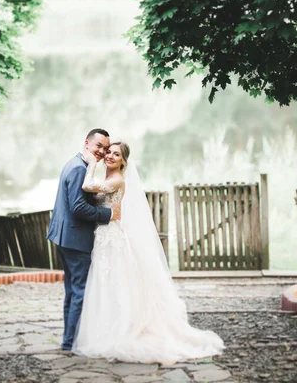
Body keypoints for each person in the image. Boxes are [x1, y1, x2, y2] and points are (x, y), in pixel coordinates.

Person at [72, 141, 225, 365]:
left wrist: (92, 164)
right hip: (104, 237)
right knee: (106, 283)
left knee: (116, 282)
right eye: (109, 153)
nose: (111, 156)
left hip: (113, 238)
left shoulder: (117, 179)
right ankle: (105, 326)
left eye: (116, 154)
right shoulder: (108, 178)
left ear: (124, 161)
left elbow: (87, 187)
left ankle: (123, 328)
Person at [47, 128, 121, 351]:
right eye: (98, 146)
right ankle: (71, 342)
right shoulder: (80, 169)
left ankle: (68, 339)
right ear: (87, 144)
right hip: (76, 239)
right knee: (80, 291)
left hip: (64, 237)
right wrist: (107, 215)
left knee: (72, 290)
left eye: (106, 148)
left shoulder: (74, 163)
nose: (102, 151)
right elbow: (78, 207)